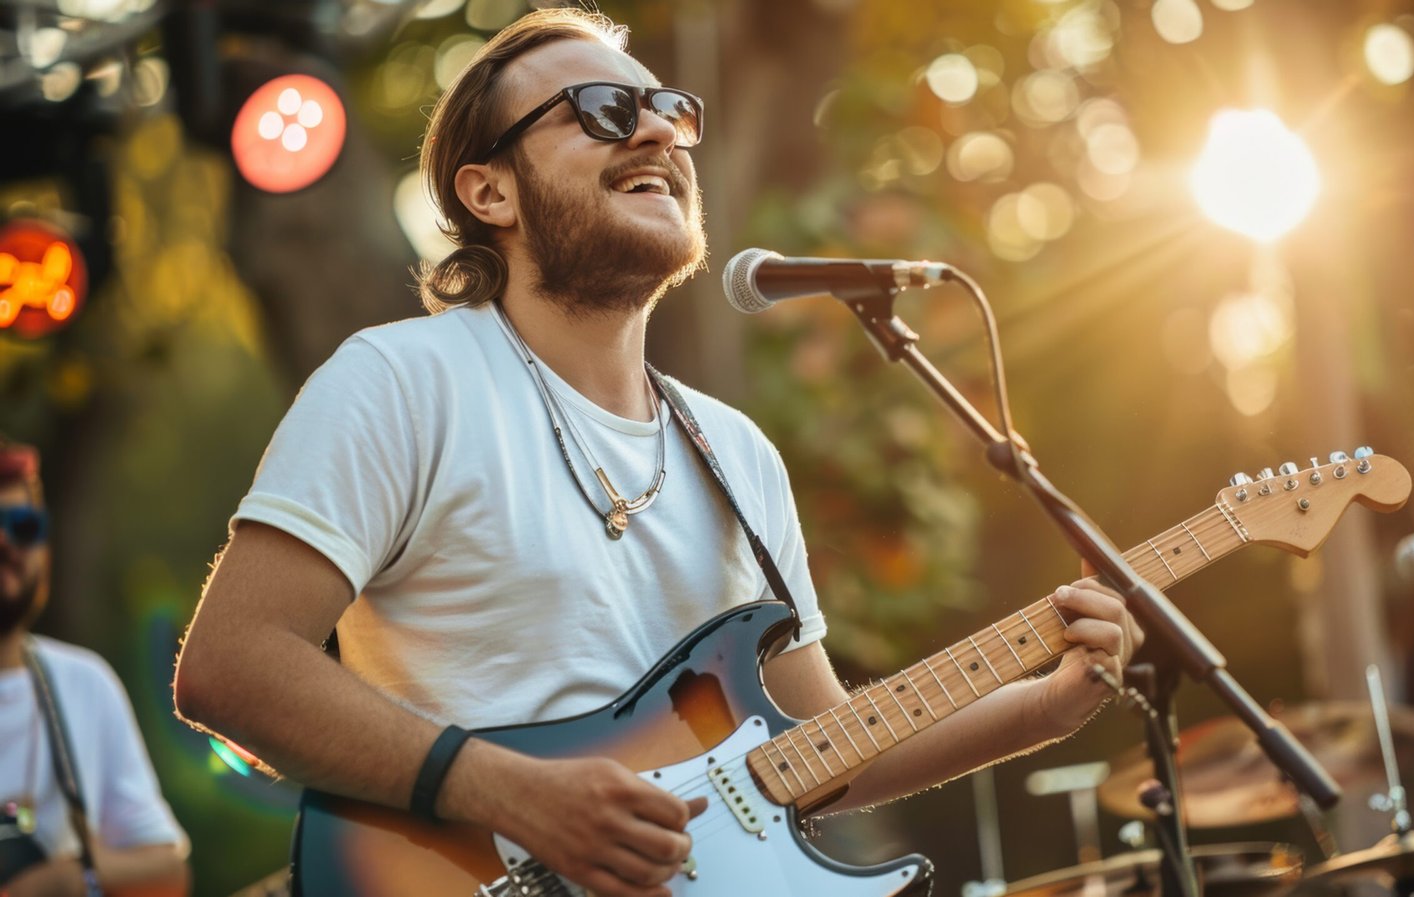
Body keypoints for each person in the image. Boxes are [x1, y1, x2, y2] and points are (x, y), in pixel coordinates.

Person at [172, 9, 1143, 897]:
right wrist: (513, 796)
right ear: (490, 190)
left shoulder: (737, 453)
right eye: (599, 109)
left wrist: (1038, 712)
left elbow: (821, 749)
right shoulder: (404, 379)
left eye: (668, 109)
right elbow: (231, 665)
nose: (655, 132)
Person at [0, 439, 189, 897]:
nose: (4, 540)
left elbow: (168, 874)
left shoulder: (85, 684)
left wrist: (66, 879)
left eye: (23, 525)